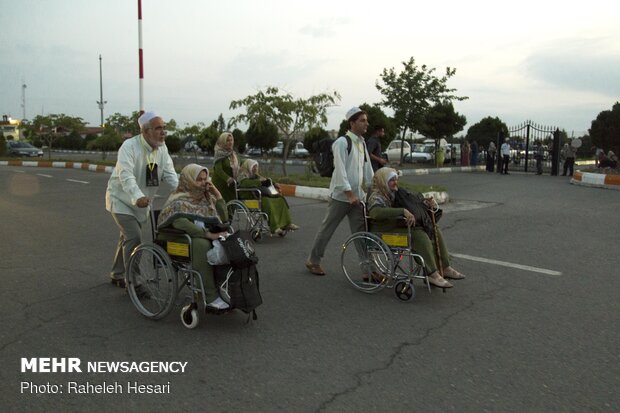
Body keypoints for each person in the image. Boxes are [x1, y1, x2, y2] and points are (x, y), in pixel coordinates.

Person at [105, 111, 179, 288]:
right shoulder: (129, 147)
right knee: (134, 237)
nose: (163, 133)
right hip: (122, 200)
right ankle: (133, 281)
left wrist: (184, 191)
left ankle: (117, 273)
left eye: (164, 128)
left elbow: (170, 174)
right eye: (158, 128)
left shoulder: (162, 148)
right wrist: (137, 197)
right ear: (145, 131)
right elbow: (126, 174)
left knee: (127, 237)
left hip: (142, 203)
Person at [367, 168, 464, 288]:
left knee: (434, 229)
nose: (395, 182)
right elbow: (376, 213)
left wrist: (425, 203)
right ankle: (432, 274)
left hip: (396, 226)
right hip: (383, 233)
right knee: (419, 235)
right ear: (383, 181)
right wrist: (402, 211)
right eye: (391, 180)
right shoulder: (376, 196)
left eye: (396, 179)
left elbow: (410, 204)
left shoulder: (394, 193)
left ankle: (444, 267)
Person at [305, 107, 374, 276]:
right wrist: (349, 193)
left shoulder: (362, 142)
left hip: (357, 198)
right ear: (352, 123)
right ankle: (313, 261)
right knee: (327, 229)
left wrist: (374, 187)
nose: (366, 123)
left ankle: (368, 270)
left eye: (366, 120)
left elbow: (367, 168)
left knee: (362, 234)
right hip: (341, 197)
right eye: (362, 120)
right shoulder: (342, 143)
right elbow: (340, 170)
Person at [157, 164, 231, 310]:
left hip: (196, 237)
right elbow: (181, 223)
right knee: (202, 244)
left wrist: (218, 195)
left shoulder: (206, 199)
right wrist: (208, 235)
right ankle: (210, 297)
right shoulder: (178, 199)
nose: (204, 183)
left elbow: (224, 218)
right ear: (188, 181)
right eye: (199, 180)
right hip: (175, 239)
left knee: (229, 242)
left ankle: (225, 289)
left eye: (205, 179)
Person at [237, 159, 299, 235]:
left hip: (257, 196)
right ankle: (275, 227)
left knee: (280, 199)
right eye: (254, 167)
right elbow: (245, 183)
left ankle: (287, 224)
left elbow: (265, 180)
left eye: (256, 167)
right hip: (248, 197)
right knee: (267, 201)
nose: (255, 169)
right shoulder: (242, 175)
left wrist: (274, 183)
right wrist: (260, 183)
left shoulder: (255, 175)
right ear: (248, 166)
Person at [212, 132, 240, 202]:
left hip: (231, 184)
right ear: (223, 142)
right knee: (224, 204)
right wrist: (228, 179)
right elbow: (218, 170)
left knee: (232, 202)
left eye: (231, 140)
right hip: (220, 184)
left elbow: (238, 165)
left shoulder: (232, 154)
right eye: (227, 140)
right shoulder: (219, 153)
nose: (230, 142)